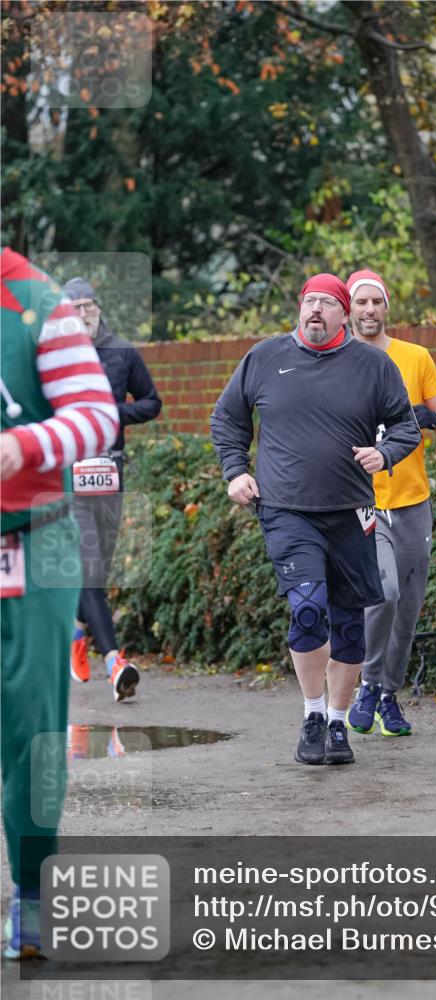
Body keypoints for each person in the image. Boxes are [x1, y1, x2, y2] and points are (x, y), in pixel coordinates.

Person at [211, 273, 421, 766]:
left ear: (344, 314)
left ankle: (338, 723)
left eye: (327, 303)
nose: (316, 311)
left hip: (352, 512)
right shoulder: (264, 358)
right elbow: (228, 418)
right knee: (308, 607)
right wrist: (235, 471)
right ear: (300, 308)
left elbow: (406, 426)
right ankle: (311, 714)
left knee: (349, 623)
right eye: (310, 302)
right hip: (285, 509)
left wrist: (384, 454)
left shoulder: (373, 364)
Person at [1, 247, 119, 959]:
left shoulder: (38, 305)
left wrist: (24, 446)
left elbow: (96, 415)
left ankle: (33, 898)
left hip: (34, 539)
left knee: (32, 728)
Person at [345, 269, 436, 737]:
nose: (369, 310)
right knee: (383, 593)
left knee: (407, 606)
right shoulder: (338, 361)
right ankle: (366, 684)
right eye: (361, 302)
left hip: (413, 501)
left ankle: (389, 696)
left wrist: (429, 417)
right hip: (362, 504)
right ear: (348, 308)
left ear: (387, 307)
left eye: (377, 302)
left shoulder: (415, 357)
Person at [62, 277, 162, 701]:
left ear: (98, 309)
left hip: (109, 473)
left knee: (96, 570)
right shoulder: (53, 357)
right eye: (74, 307)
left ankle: (76, 632)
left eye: (88, 305)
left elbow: (152, 401)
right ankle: (114, 662)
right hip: (67, 477)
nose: (82, 312)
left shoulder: (122, 351)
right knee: (87, 569)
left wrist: (112, 413)